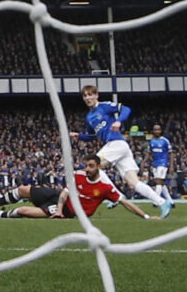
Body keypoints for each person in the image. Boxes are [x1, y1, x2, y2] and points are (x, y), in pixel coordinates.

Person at [72, 85, 172, 219]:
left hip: (117, 143)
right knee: (133, 183)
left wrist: (118, 121)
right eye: (85, 95)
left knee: (94, 166)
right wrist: (79, 136)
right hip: (118, 148)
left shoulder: (104, 106)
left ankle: (116, 195)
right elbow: (91, 136)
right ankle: (163, 202)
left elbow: (126, 109)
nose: (88, 98)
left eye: (90, 94)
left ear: (96, 95)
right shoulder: (89, 117)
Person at [0, 154, 155, 220]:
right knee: (22, 190)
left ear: (98, 168)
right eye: (86, 165)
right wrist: (57, 208)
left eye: (91, 167)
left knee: (23, 211)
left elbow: (126, 203)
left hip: (68, 211)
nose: (87, 169)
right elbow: (65, 191)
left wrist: (146, 217)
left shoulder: (104, 188)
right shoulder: (79, 175)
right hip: (60, 199)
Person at [146, 124, 174, 209]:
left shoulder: (165, 141)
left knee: (158, 182)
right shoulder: (151, 142)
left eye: (158, 129)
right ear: (153, 131)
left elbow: (171, 153)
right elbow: (149, 153)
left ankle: (156, 201)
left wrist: (171, 165)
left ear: (161, 131)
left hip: (163, 163)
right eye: (155, 130)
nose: (157, 131)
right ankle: (171, 201)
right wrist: (144, 162)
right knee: (161, 183)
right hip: (155, 164)